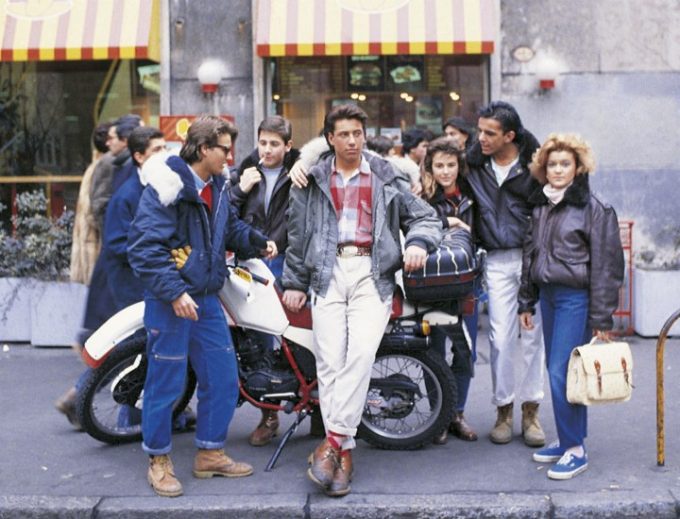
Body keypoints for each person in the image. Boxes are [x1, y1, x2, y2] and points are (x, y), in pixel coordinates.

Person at [282, 104, 441, 497]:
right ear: (330, 138)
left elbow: (425, 218)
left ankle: (333, 441)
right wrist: (295, 280)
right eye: (345, 134)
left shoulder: (387, 176)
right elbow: (297, 235)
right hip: (326, 273)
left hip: (373, 274)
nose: (353, 141)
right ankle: (345, 453)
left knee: (361, 356)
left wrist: (419, 243)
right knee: (330, 362)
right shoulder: (312, 178)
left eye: (358, 132)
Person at [127, 115, 277, 498]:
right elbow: (143, 249)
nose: (230, 156)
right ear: (203, 148)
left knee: (224, 379)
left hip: (206, 298)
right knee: (166, 383)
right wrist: (175, 293)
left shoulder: (217, 185)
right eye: (224, 149)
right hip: (171, 300)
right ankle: (158, 460)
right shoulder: (168, 186)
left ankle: (210, 453)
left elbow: (226, 230)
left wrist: (258, 241)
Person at [519, 133, 624, 480]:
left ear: (578, 168)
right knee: (564, 372)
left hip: (575, 299)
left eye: (565, 164)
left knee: (561, 373)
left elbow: (608, 265)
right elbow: (530, 254)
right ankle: (568, 441)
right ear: (543, 168)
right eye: (552, 164)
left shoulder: (594, 208)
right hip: (548, 296)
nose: (558, 170)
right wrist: (526, 299)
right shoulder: (541, 204)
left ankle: (576, 450)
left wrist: (602, 318)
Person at [465, 101, 546, 447]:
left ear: (509, 136)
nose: (481, 138)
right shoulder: (474, 166)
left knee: (532, 340)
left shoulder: (535, 167)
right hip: (495, 260)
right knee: (499, 339)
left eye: (489, 133)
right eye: (480, 130)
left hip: (532, 261)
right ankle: (503, 410)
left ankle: (531, 412)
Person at [229, 115, 300, 447]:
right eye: (263, 142)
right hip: (251, 263)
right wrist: (240, 189)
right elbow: (225, 215)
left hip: (288, 261)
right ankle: (268, 415)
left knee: (298, 339)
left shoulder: (300, 173)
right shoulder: (243, 173)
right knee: (260, 342)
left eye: (275, 144)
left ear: (288, 146)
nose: (267, 149)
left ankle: (316, 414)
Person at [419, 137, 479, 444]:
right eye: (439, 165)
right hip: (435, 285)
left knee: (466, 351)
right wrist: (446, 221)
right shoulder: (423, 196)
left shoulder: (472, 193)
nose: (445, 172)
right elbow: (410, 226)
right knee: (436, 350)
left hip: (468, 283)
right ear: (430, 166)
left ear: (460, 165)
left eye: (451, 165)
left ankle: (457, 412)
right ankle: (439, 416)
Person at [69, 122, 111, 287]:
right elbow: (93, 213)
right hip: (95, 250)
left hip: (93, 248)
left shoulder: (96, 167)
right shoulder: (102, 169)